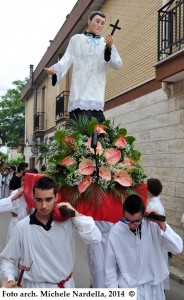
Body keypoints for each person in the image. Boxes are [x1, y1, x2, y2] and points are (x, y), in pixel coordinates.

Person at [0, 177, 101, 288]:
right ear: (33, 198)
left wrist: (76, 214)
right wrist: (9, 279)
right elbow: (8, 259)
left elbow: (95, 238)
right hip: (34, 287)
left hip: (65, 287)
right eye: (39, 200)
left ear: (56, 197)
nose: (43, 206)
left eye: (48, 199)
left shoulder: (68, 222)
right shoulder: (22, 227)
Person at [44, 11, 122, 123]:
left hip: (96, 93)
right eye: (97, 21)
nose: (100, 25)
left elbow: (118, 64)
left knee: (97, 132)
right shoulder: (76, 39)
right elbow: (66, 59)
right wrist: (55, 71)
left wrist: (109, 48)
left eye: (102, 23)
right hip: (78, 93)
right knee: (78, 130)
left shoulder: (105, 42)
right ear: (89, 21)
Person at [104, 194, 183, 300]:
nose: (132, 225)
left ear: (143, 214)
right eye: (128, 220)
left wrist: (162, 224)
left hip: (155, 289)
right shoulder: (115, 232)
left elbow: (177, 248)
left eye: (137, 221)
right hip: (130, 290)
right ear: (123, 214)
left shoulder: (154, 225)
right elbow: (110, 268)